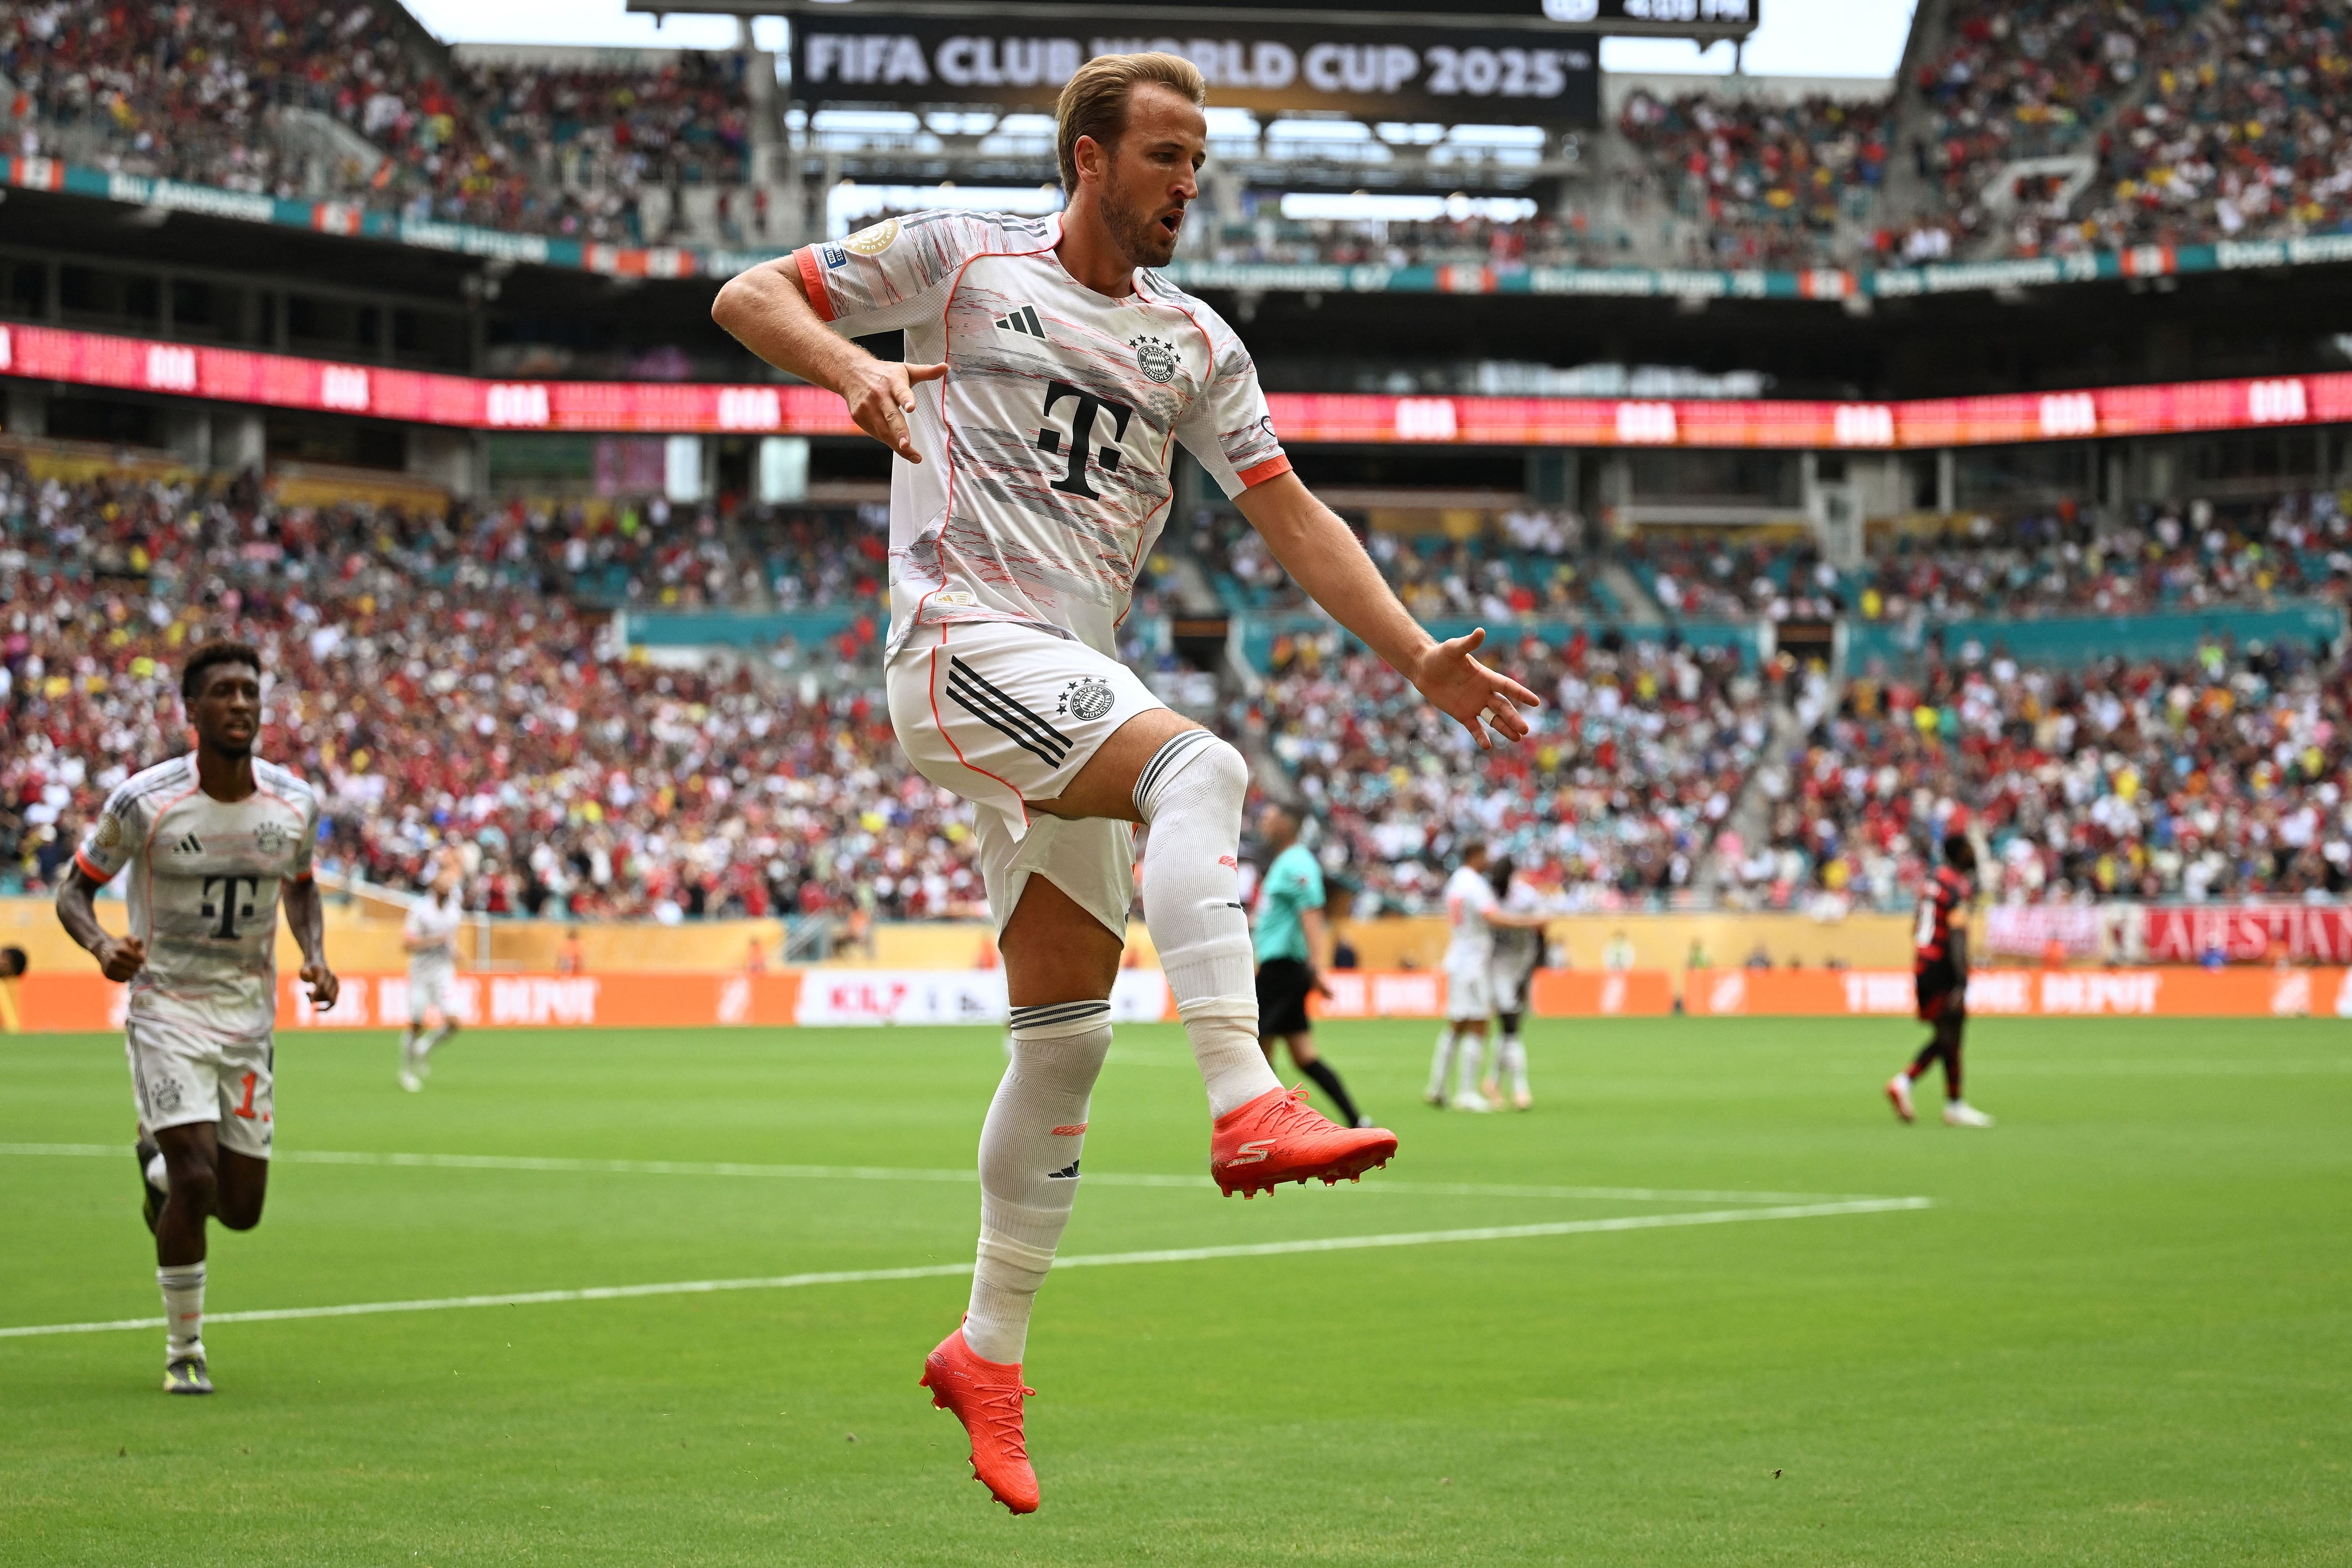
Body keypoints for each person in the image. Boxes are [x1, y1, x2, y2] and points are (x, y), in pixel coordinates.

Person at [712, 50, 1538, 1514]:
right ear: (1087, 156)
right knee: (1200, 765)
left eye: (1201, 159)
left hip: (1058, 681)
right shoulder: (960, 251)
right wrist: (849, 365)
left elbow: (1290, 515)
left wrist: (1416, 656)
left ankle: (985, 1354)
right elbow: (749, 296)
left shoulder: (1195, 344)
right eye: (1165, 154)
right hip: (959, 642)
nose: (1188, 183)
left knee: (1065, 1039)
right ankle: (1242, 1096)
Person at [54, 640, 339, 1395]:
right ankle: (185, 1351)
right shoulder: (145, 802)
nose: (240, 703)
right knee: (196, 1175)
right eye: (223, 692)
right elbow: (71, 892)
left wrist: (313, 951)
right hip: (166, 1010)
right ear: (191, 710)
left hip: (248, 1021)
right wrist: (102, 944)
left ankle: (153, 1170)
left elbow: (302, 886)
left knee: (240, 1208)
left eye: (250, 690)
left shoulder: (295, 803)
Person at [1250, 803, 1369, 1127]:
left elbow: (1311, 913)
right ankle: (1358, 1121)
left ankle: (1266, 1131)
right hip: (1279, 967)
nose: (1263, 822)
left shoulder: (1298, 863)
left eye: (1269, 817)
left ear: (1288, 824)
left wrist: (1317, 967)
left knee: (1256, 1051)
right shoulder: (1285, 863)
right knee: (1304, 1056)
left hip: (1284, 970)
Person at [1426, 843, 1549, 1111]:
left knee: (1457, 1024)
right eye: (1485, 856)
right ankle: (1467, 1093)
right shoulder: (1474, 885)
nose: (1488, 861)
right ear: (1476, 856)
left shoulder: (1456, 882)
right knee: (1479, 1023)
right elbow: (1493, 916)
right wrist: (1531, 922)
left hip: (1458, 955)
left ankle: (1437, 1087)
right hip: (1473, 960)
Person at [1888, 833, 1994, 1128]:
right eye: (1971, 850)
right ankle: (1910, 1084)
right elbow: (1957, 936)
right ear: (1959, 853)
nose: (1974, 856)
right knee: (1951, 1033)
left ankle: (1951, 1104)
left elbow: (1916, 926)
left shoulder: (1931, 882)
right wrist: (1961, 981)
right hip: (1941, 965)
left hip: (1923, 963)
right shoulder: (1956, 886)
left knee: (1949, 1035)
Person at [1479, 855, 1549, 1111]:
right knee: (1511, 1028)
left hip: (1522, 965)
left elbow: (1544, 924)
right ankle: (1521, 1089)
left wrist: (1536, 965)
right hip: (1498, 968)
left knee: (1510, 1027)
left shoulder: (1526, 897)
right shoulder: (1487, 897)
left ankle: (1493, 1081)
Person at [398, 850, 466, 1093]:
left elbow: (450, 941)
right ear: (435, 887)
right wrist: (434, 941)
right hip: (420, 974)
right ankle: (406, 1070)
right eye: (445, 883)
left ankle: (425, 1048)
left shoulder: (454, 912)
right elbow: (407, 945)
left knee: (455, 1022)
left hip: (443, 973)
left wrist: (455, 952)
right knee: (416, 1023)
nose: (450, 887)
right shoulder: (420, 911)